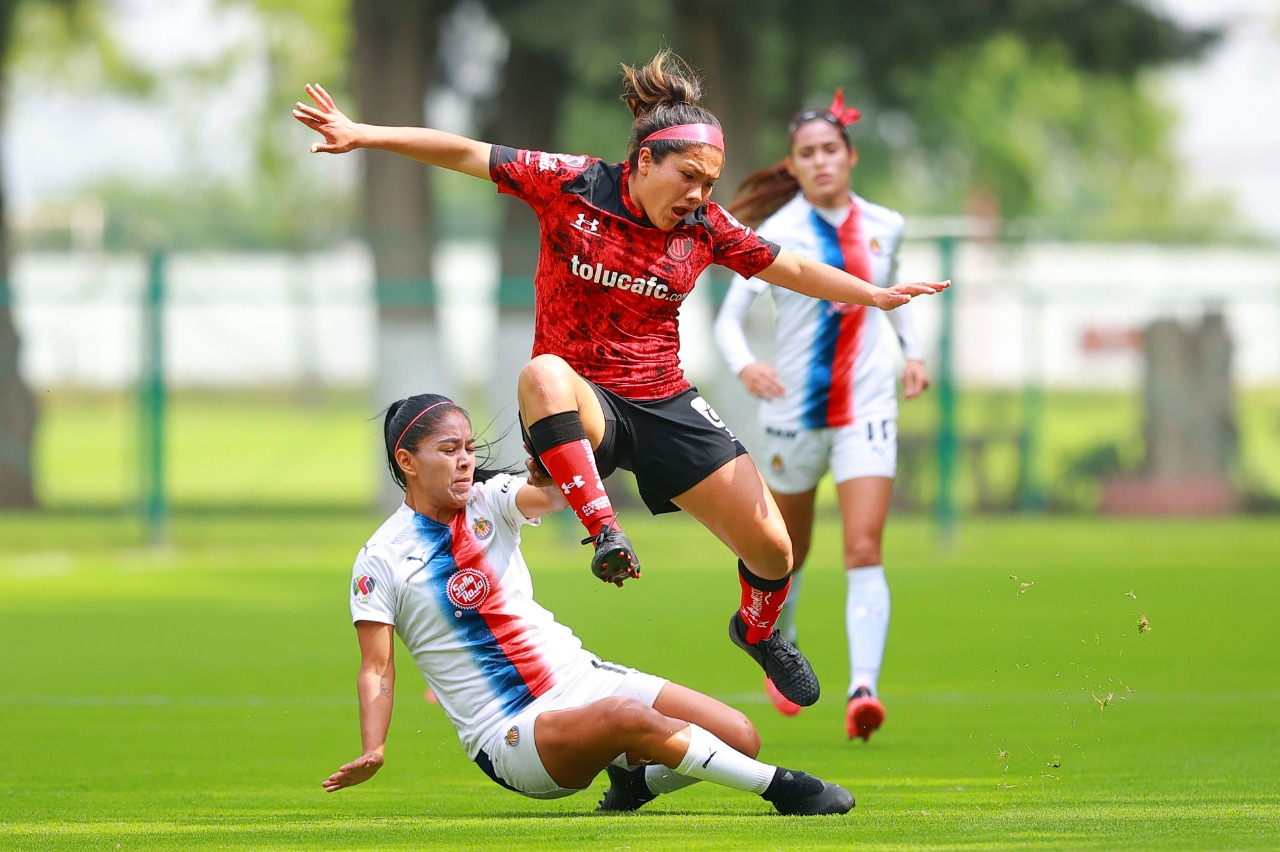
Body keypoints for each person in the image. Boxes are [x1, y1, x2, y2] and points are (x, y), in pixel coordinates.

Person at [292, 50, 949, 710]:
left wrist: (876, 295)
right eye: (688, 176)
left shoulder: (705, 228)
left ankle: (757, 631)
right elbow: (465, 151)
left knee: (775, 550)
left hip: (663, 399)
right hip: (578, 405)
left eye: (711, 182)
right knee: (543, 372)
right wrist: (364, 134)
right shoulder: (569, 183)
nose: (699, 194)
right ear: (641, 164)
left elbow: (795, 270)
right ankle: (604, 529)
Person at [323, 392, 855, 817]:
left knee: (741, 736)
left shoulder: (489, 500)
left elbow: (554, 498)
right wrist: (374, 747)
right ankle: (787, 791)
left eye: (468, 448)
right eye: (448, 451)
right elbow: (376, 670)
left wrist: (551, 475)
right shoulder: (382, 558)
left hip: (584, 678)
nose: (465, 462)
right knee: (629, 717)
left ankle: (634, 781)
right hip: (512, 732)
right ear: (405, 460)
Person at [712, 90, 929, 742]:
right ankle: (785, 645)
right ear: (794, 165)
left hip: (867, 406)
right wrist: (747, 363)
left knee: (864, 546)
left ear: (850, 155)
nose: (821, 160)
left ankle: (864, 689)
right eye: (807, 153)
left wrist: (913, 352)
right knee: (790, 551)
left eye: (830, 148)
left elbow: (890, 294)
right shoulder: (775, 234)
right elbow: (728, 320)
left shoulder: (885, 224)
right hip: (792, 412)